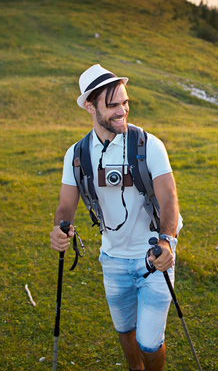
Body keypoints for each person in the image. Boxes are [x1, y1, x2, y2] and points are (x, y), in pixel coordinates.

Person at [50, 64, 181, 371]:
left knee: (150, 343)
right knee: (125, 331)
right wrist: (59, 228)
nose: (123, 111)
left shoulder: (148, 145)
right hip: (112, 258)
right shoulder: (77, 154)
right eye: (112, 105)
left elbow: (169, 199)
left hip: (153, 256)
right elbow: (65, 206)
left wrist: (166, 241)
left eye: (125, 102)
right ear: (89, 106)